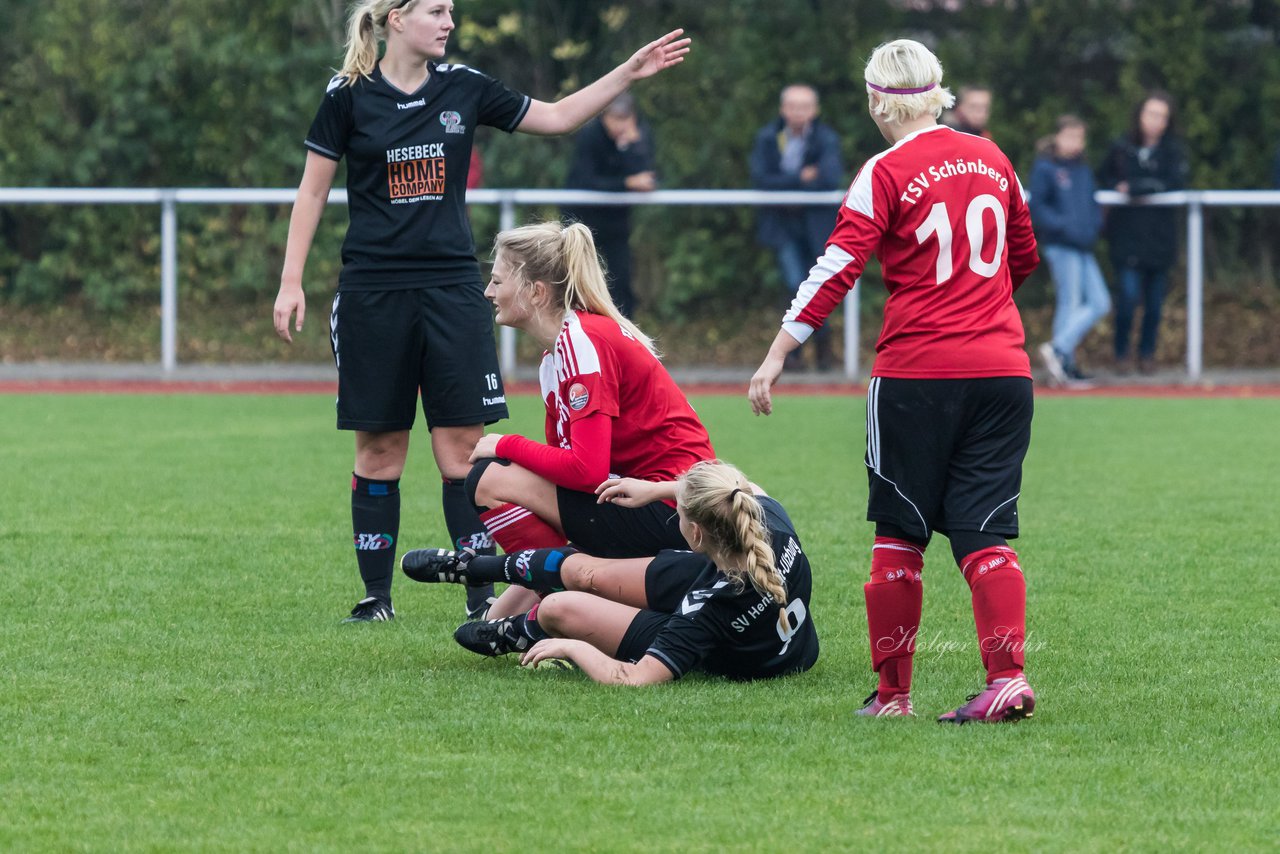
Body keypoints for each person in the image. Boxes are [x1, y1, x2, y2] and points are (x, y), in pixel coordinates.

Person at [272, 0, 691, 623]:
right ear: (395, 18)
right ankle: (375, 599)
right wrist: (291, 280)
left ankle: (478, 591)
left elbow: (553, 118)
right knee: (381, 449)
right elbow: (313, 189)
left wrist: (624, 73)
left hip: (451, 294)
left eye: (450, 12)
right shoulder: (348, 95)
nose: (448, 22)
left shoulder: (464, 88)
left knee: (463, 452)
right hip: (372, 294)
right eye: (436, 11)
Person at [749, 39, 1040, 723]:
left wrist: (778, 352)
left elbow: (837, 266)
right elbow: (1023, 255)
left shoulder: (883, 169)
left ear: (879, 101)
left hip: (916, 375)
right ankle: (1007, 679)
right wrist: (983, 309)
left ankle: (893, 695)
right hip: (1004, 371)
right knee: (984, 530)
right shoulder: (995, 157)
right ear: (937, 93)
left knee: (899, 534)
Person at [452, 220, 716, 620]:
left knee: (489, 478)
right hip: (651, 502)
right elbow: (576, 476)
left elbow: (587, 471)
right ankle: (561, 599)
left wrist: (506, 444)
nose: (489, 291)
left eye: (497, 280)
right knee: (491, 623)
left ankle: (570, 608)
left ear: (536, 292)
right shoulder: (558, 354)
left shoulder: (581, 341)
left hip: (677, 511)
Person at [399, 460, 819, 685]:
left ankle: (518, 632)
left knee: (559, 609)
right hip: (750, 610)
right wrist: (656, 489)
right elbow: (735, 488)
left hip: (739, 646)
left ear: (695, 533)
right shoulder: (768, 523)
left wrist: (571, 648)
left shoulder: (704, 612)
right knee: (585, 571)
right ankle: (472, 567)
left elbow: (634, 679)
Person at [749, 84, 844, 371]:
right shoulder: (768, 138)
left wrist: (787, 179)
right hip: (783, 227)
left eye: (804, 106)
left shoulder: (827, 139)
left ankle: (824, 354)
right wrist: (800, 177)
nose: (798, 112)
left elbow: (830, 177)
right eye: (792, 106)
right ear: (783, 109)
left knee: (818, 288)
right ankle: (792, 356)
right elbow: (762, 179)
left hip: (817, 226)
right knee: (793, 286)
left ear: (814, 110)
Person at [1098, 90, 1187, 375]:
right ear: (1139, 115)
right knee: (1127, 298)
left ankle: (1147, 354)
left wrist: (1135, 188)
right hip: (1127, 239)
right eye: (1151, 114)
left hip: (1160, 241)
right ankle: (1120, 353)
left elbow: (1174, 182)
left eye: (1162, 116)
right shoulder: (1121, 148)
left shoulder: (1172, 152)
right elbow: (1105, 179)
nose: (1156, 121)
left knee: (1154, 306)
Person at [1030, 114, 1111, 386]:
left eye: (1080, 136)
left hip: (1083, 245)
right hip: (1061, 245)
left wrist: (1093, 226)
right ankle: (1063, 362)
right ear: (1058, 137)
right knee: (1070, 302)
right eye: (1071, 136)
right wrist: (1064, 227)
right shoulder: (1045, 168)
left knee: (1100, 302)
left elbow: (1090, 204)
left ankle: (1059, 350)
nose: (1076, 142)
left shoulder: (1082, 169)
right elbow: (1038, 208)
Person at [561, 93, 656, 318]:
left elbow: (648, 178)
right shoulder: (590, 135)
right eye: (616, 119)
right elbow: (586, 181)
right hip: (582, 221)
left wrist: (633, 147)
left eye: (626, 119)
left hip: (616, 223)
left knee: (620, 282)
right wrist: (627, 183)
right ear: (605, 118)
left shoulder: (638, 136)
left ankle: (625, 335)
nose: (620, 126)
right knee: (579, 281)